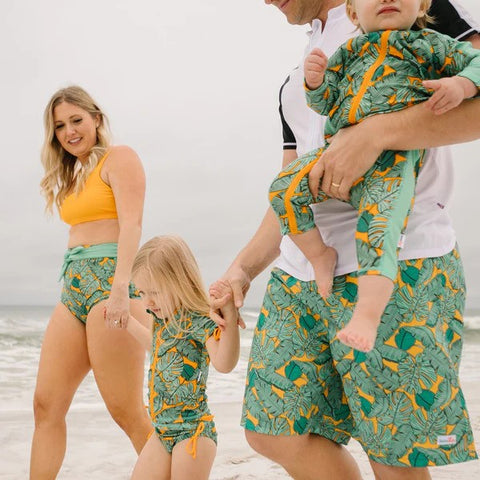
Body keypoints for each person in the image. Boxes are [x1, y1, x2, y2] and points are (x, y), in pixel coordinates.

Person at [213, 1, 480, 479]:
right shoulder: (299, 78)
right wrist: (242, 269)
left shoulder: (418, 10)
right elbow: (292, 187)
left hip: (402, 257)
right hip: (302, 276)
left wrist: (376, 133)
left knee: (394, 453)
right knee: (272, 429)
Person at [268, 0, 480, 352]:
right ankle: (320, 255)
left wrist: (462, 85)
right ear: (354, 14)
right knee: (281, 190)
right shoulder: (347, 48)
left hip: (391, 165)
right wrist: (316, 83)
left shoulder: (428, 42)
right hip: (308, 254)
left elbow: (476, 62)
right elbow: (326, 100)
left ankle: (368, 315)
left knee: (380, 230)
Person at [31, 85, 152, 479]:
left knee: (126, 411)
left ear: (96, 119)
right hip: (74, 290)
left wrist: (119, 290)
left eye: (77, 120)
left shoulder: (120, 158)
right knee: (45, 405)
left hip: (112, 287)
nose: (69, 132)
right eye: (60, 127)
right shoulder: (73, 174)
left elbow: (132, 224)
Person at [124, 235, 240, 480]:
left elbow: (224, 363)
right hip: (161, 430)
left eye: (154, 292)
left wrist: (229, 318)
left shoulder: (200, 320)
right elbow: (157, 348)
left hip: (193, 432)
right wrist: (128, 324)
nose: (147, 301)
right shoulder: (161, 320)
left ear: (180, 281)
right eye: (142, 292)